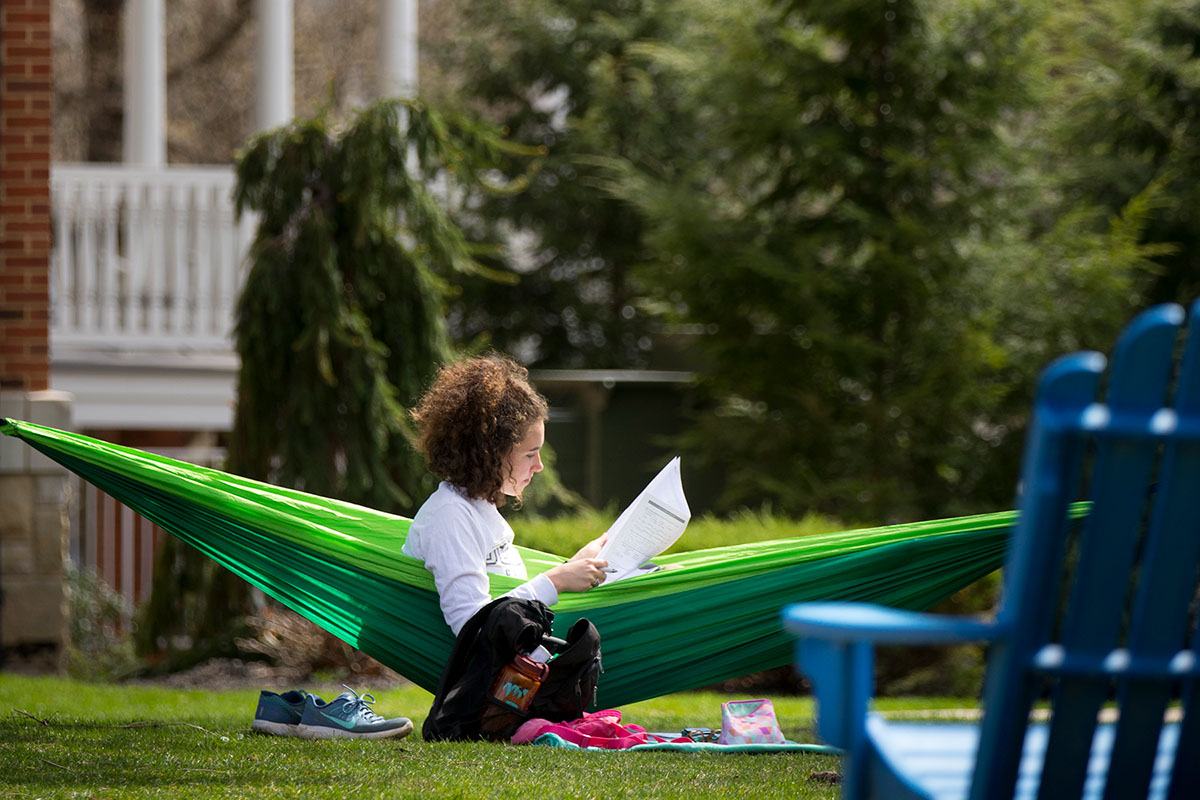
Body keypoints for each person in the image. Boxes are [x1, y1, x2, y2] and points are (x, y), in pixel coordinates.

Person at [402, 354, 609, 636]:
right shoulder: (450, 516)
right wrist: (556, 581)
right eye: (530, 454)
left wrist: (571, 567)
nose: (539, 466)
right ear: (490, 454)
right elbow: (471, 624)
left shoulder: (476, 507)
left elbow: (509, 595)